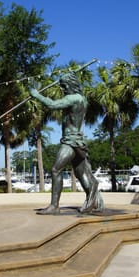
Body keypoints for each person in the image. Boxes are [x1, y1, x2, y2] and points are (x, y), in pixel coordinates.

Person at [29, 72, 104, 215]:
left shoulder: (73, 98)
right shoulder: (82, 99)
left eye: (64, 85)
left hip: (71, 141)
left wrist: (36, 95)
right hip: (79, 141)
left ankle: (54, 206)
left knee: (56, 169)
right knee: (81, 174)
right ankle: (94, 200)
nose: (63, 88)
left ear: (70, 84)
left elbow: (52, 105)